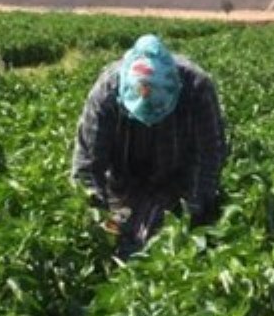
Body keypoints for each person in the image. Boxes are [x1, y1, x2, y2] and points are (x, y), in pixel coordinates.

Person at [71, 34, 227, 257]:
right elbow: (87, 166)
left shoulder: (197, 88)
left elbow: (210, 156)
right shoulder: (106, 93)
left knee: (172, 247)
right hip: (123, 183)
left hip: (177, 183)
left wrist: (192, 213)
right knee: (122, 245)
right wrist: (98, 217)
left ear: (175, 89)